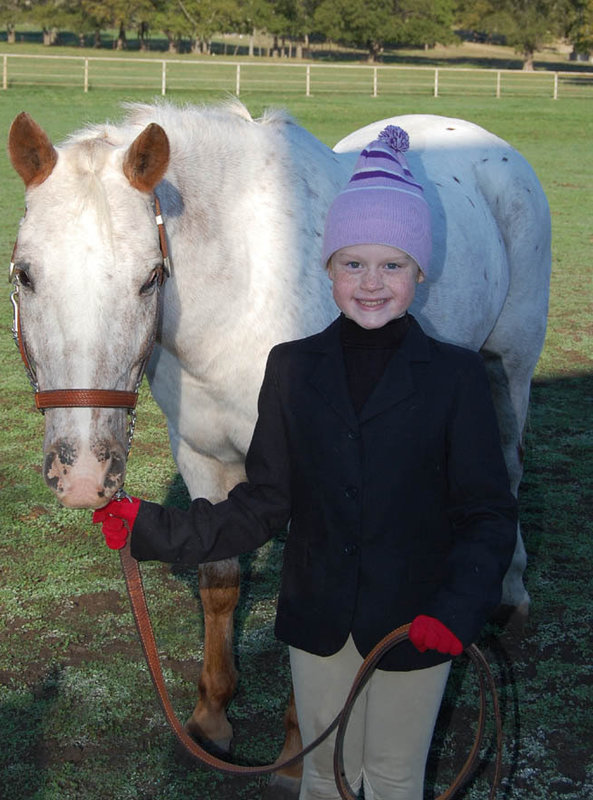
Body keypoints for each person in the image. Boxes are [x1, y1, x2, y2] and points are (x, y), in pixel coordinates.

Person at [93, 126, 517, 800]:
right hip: (316, 622)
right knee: (322, 775)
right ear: (327, 270)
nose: (370, 283)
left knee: (393, 777)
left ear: (419, 272)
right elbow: (261, 501)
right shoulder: (292, 368)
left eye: (392, 265)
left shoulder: (454, 377)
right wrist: (150, 526)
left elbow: (488, 514)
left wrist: (458, 607)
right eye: (352, 264)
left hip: (418, 620)